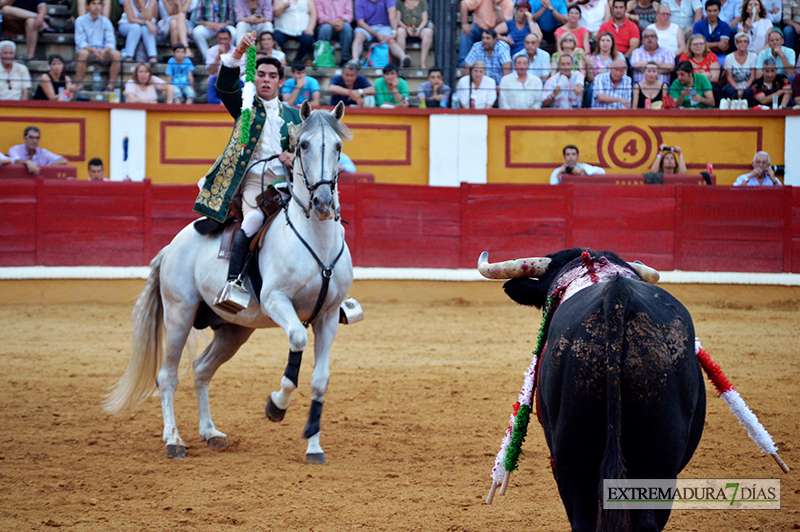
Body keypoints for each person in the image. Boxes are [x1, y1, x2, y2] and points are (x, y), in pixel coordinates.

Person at [193, 31, 303, 304]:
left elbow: (305, 151)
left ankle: (334, 290)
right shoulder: (245, 105)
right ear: (255, 78)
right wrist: (241, 49)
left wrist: (293, 158)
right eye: (261, 75)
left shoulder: (293, 115)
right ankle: (234, 284)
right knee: (253, 220)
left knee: (322, 215)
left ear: (281, 81)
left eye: (272, 76)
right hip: (254, 179)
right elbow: (226, 84)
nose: (266, 80)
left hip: (285, 181)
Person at [74, 0, 122, 91]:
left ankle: (110, 86)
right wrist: (93, 51)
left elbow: (111, 42)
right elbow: (80, 41)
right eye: (93, 4)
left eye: (99, 4)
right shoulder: (80, 20)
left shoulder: (106, 22)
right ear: (87, 6)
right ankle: (79, 84)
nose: (97, 7)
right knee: (83, 53)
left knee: (116, 54)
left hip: (103, 52)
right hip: (87, 51)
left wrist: (103, 51)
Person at [459, 0, 514, 66]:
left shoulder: (508, 3)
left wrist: (496, 7)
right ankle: (463, 64)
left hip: (496, 31)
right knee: (465, 33)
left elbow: (505, 24)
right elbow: (464, 3)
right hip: (479, 28)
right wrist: (464, 23)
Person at [352, 0, 405, 65]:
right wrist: (376, 34)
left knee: (390, 40)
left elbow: (392, 14)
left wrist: (394, 31)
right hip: (367, 26)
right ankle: (355, 60)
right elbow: (360, 22)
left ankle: (403, 58)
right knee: (359, 36)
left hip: (384, 26)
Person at [679, 34, 721, 99]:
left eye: (701, 44)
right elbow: (684, 76)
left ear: (705, 45)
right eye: (695, 44)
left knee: (715, 86)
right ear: (690, 46)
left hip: (709, 84)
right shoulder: (685, 57)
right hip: (690, 85)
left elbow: (715, 77)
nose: (698, 46)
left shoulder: (711, 56)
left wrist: (695, 76)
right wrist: (706, 75)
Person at [396, 0, 434, 67]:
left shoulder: (422, 2)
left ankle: (422, 62)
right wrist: (406, 28)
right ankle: (403, 60)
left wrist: (419, 28)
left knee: (428, 32)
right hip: (405, 28)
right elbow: (398, 20)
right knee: (399, 31)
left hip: (419, 27)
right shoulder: (399, 2)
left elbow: (424, 19)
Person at [315, 0, 353, 65]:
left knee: (347, 27)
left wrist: (339, 22)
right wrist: (333, 24)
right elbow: (320, 16)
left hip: (341, 25)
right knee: (326, 28)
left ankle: (345, 58)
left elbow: (349, 15)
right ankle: (322, 57)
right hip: (325, 25)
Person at [692, 0, 730, 66]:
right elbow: (697, 45)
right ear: (706, 11)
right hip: (702, 56)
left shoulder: (724, 25)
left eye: (715, 11)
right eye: (709, 11)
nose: (712, 13)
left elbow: (723, 46)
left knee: (727, 65)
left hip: (720, 56)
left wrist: (705, 44)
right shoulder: (698, 25)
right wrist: (717, 44)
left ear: (719, 11)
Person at [722, 32, 756, 104]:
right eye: (740, 42)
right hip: (733, 85)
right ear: (736, 44)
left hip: (747, 85)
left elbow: (752, 77)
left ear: (748, 44)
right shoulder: (729, 57)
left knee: (748, 92)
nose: (742, 43)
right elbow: (729, 78)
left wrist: (743, 88)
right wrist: (737, 88)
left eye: (745, 41)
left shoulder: (753, 56)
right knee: (731, 92)